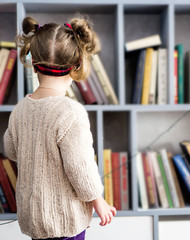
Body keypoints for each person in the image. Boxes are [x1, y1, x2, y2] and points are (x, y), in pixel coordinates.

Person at [3, 16, 116, 240]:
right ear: (76, 66)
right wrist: (97, 199)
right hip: (65, 221)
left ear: (34, 64)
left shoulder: (20, 110)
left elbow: (12, 152)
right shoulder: (71, 113)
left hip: (34, 220)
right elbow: (80, 167)